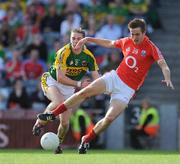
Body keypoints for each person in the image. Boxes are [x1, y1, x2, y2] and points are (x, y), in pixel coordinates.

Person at [37, 18, 174, 154]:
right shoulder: (127, 41)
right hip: (114, 78)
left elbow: (163, 64)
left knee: (109, 119)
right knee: (84, 92)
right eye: (132, 33)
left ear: (144, 33)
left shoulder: (151, 47)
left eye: (137, 34)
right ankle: (52, 114)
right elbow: (108, 43)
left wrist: (167, 76)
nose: (134, 37)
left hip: (127, 90)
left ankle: (86, 140)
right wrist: (88, 39)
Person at [32, 28, 100, 154]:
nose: (75, 41)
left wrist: (95, 89)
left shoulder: (89, 57)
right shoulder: (64, 52)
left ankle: (58, 144)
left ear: (84, 41)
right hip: (52, 81)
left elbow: (97, 78)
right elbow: (60, 78)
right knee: (58, 102)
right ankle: (39, 123)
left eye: (79, 39)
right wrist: (80, 84)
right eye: (73, 38)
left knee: (64, 122)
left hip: (69, 88)